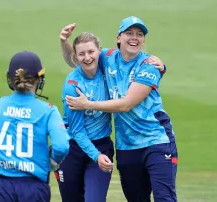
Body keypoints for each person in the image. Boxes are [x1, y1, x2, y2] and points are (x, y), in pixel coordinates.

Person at [60, 16, 178, 202]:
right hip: (127, 146)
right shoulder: (107, 57)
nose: (134, 37)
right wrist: (64, 41)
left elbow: (126, 104)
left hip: (156, 140)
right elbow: (78, 60)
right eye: (129, 33)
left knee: (164, 198)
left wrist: (87, 104)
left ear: (143, 40)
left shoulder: (148, 66)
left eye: (139, 34)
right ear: (118, 38)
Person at [0, 51, 70, 202]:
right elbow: (62, 146)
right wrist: (53, 161)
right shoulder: (48, 111)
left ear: (10, 79)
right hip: (33, 188)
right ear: (39, 79)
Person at [54, 32, 114, 202]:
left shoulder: (108, 71)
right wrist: (96, 155)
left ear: (99, 51)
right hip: (71, 149)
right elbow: (77, 130)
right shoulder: (72, 85)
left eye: (91, 52)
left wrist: (158, 65)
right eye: (81, 54)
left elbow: (128, 54)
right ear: (75, 56)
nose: (87, 58)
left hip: (102, 145)